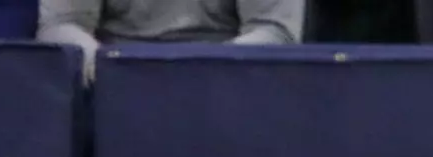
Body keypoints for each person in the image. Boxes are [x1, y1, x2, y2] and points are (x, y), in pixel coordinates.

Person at [39, 0, 303, 82]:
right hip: (112, 76)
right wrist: (107, 72)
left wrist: (205, 74)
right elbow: (62, 25)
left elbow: (276, 33)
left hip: (226, 77)